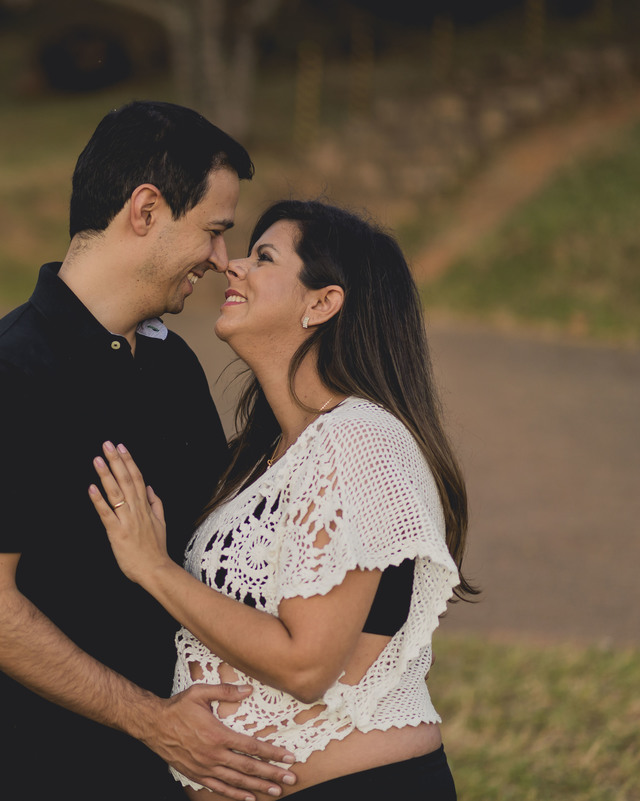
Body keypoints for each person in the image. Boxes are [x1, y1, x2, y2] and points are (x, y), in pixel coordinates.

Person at [0, 101, 299, 801]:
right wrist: (154, 721)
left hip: (158, 771)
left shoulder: (174, 366)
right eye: (214, 231)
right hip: (27, 771)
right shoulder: (9, 372)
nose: (222, 261)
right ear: (146, 209)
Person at [88, 200, 478, 799]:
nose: (232, 267)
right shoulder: (265, 454)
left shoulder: (359, 438)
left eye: (263, 256)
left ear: (323, 302)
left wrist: (154, 569)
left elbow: (306, 665)